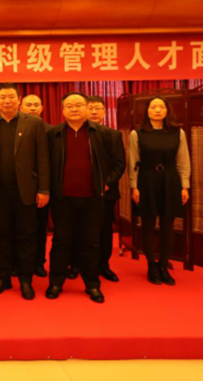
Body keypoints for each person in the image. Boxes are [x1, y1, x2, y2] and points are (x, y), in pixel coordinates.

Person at [45, 93, 125, 304]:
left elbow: (119, 163)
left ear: (87, 108)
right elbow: (45, 164)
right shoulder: (53, 134)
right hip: (62, 198)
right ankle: (56, 282)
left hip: (93, 198)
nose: (74, 109)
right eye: (69, 106)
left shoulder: (106, 134)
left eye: (79, 105)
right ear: (63, 110)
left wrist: (106, 183)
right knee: (61, 241)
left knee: (91, 242)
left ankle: (92, 284)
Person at [0, 83, 50, 301]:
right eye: (2, 97)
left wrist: (43, 188)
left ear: (19, 100)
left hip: (26, 190)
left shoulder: (34, 123)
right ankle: (3, 277)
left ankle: (26, 280)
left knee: (26, 235)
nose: (7, 101)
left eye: (11, 97)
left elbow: (42, 158)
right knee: (1, 235)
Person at [129, 96, 191, 286]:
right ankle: (151, 266)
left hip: (170, 180)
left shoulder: (178, 133)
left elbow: (183, 160)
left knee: (168, 225)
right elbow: (133, 162)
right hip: (146, 180)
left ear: (167, 110)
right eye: (153, 107)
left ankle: (164, 265)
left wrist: (185, 186)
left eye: (161, 107)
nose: (157, 110)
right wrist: (133, 186)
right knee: (147, 224)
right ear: (147, 111)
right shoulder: (137, 134)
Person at [87, 95, 126, 282]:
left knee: (104, 230)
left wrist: (107, 183)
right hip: (81, 191)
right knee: (81, 229)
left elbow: (120, 163)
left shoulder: (113, 134)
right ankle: (78, 264)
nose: (94, 112)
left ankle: (103, 265)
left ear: (104, 112)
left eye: (98, 108)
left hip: (106, 191)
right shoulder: (76, 134)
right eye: (90, 108)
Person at [20, 94, 53, 279]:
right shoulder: (14, 128)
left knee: (40, 228)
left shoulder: (51, 131)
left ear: (42, 108)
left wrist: (44, 188)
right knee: (20, 229)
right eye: (28, 105)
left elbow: (50, 163)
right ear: (21, 108)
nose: (32, 108)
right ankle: (18, 263)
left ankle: (39, 262)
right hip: (19, 189)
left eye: (36, 105)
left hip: (42, 189)